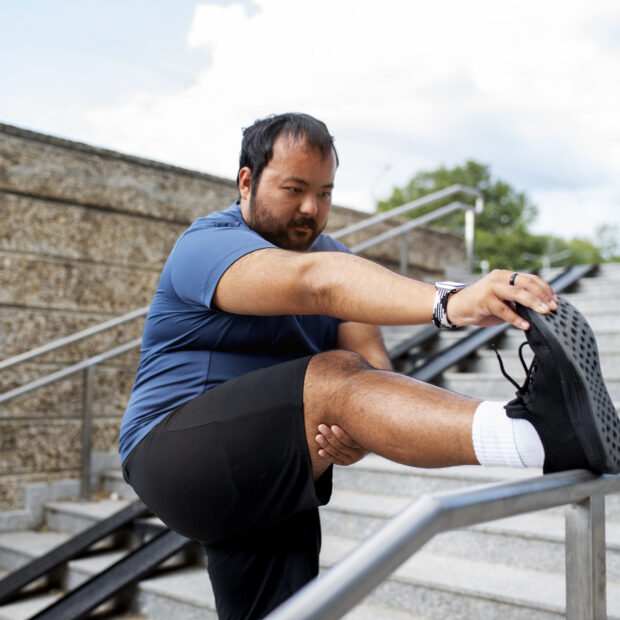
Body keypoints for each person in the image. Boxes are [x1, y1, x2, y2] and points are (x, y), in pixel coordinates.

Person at [119, 112, 619, 619]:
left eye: (326, 192)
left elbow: (372, 369)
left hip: (270, 461)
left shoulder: (334, 254)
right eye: (293, 189)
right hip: (173, 451)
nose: (311, 208)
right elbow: (317, 283)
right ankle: (537, 436)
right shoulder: (206, 245)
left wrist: (358, 429)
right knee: (333, 377)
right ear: (246, 182)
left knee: (282, 611)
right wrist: (454, 301)